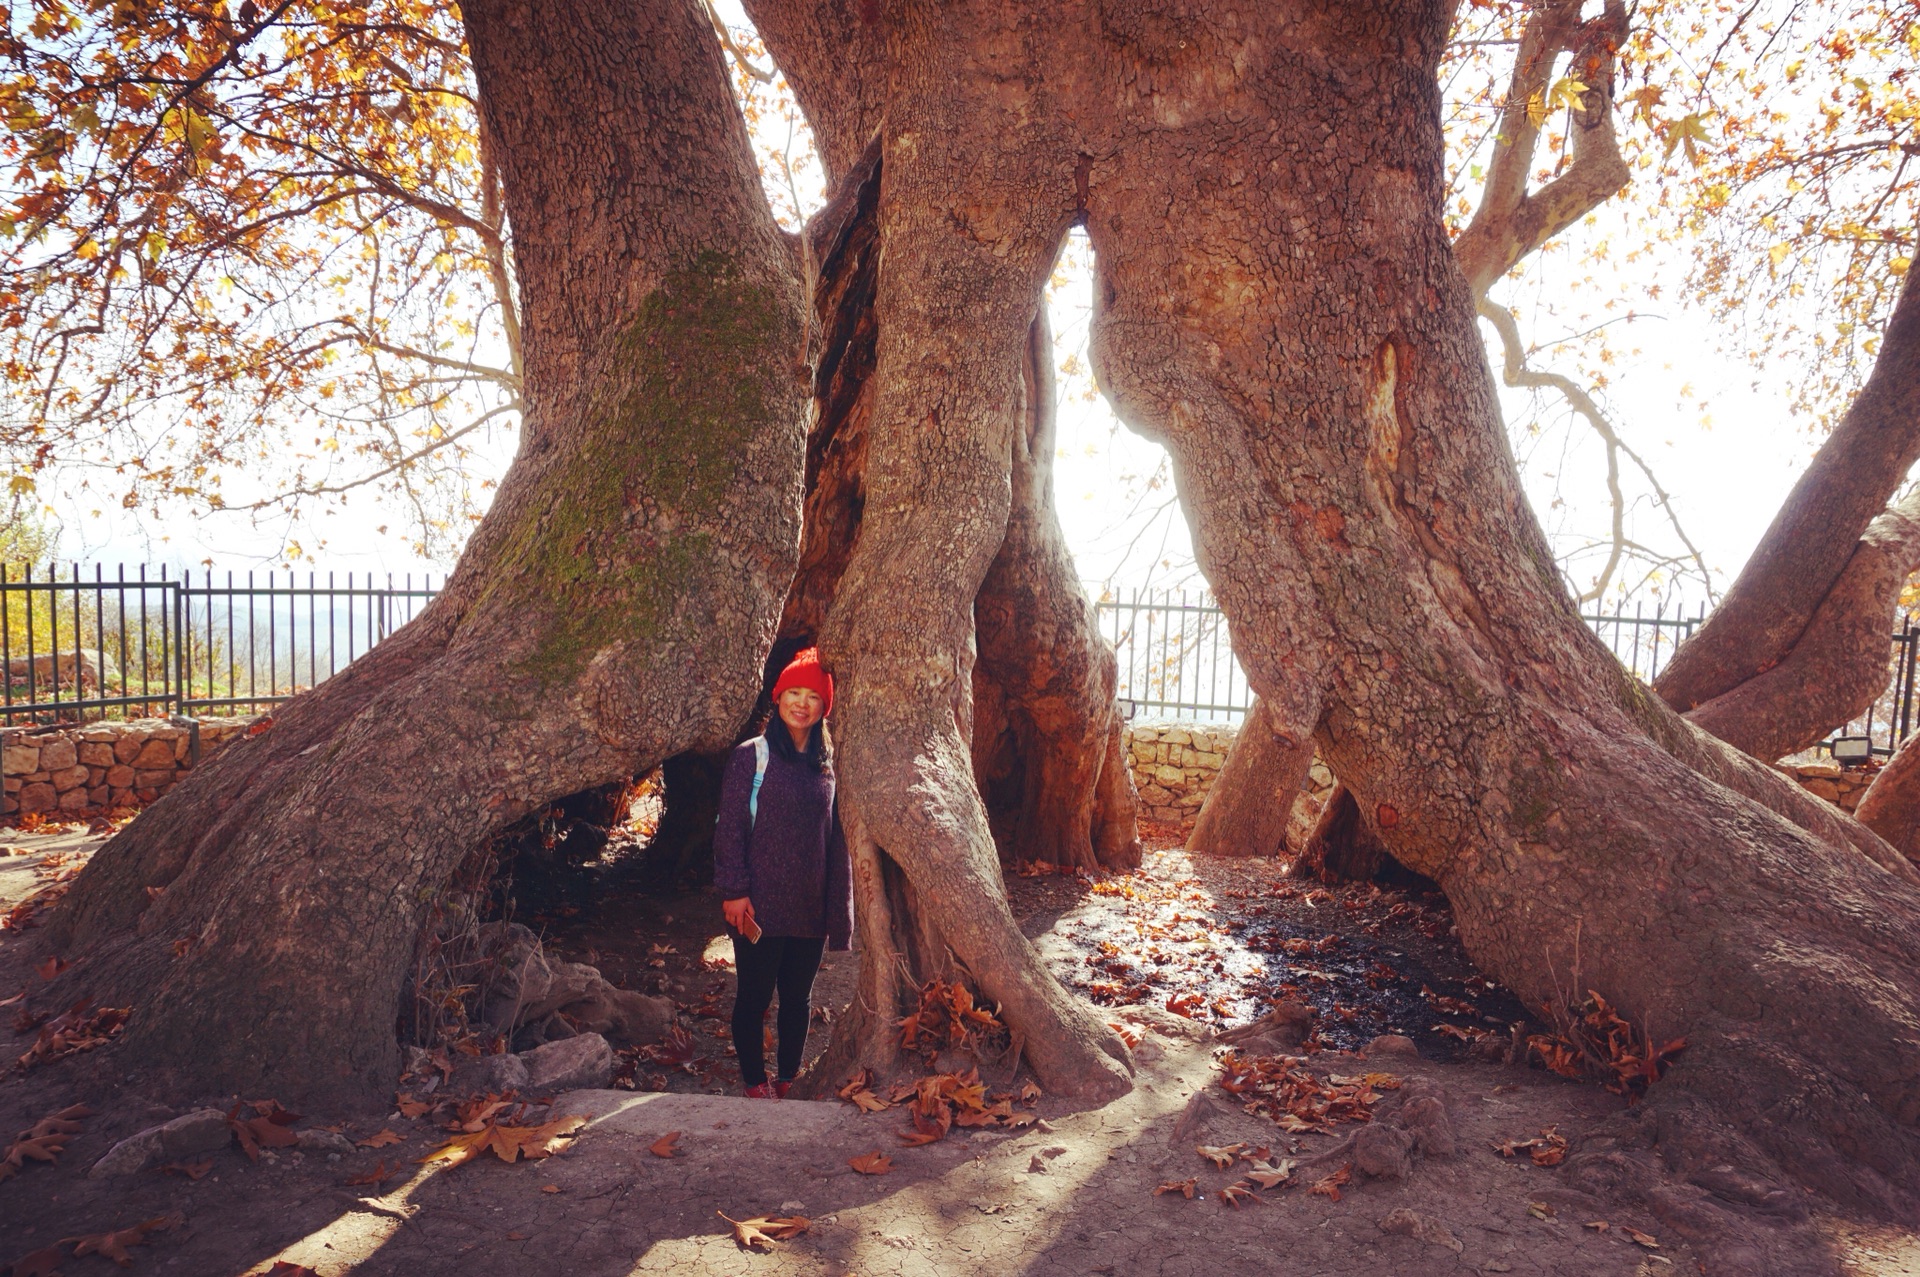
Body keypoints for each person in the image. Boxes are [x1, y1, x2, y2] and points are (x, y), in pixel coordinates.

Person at [712, 647, 853, 1098]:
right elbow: (730, 828)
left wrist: (838, 911)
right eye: (793, 692)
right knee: (753, 999)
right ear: (778, 698)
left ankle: (789, 1078)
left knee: (798, 999)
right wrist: (734, 890)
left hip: (808, 910)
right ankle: (755, 1082)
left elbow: (836, 842)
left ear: (823, 707)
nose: (802, 703)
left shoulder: (828, 767)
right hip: (757, 906)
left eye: (813, 696)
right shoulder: (751, 757)